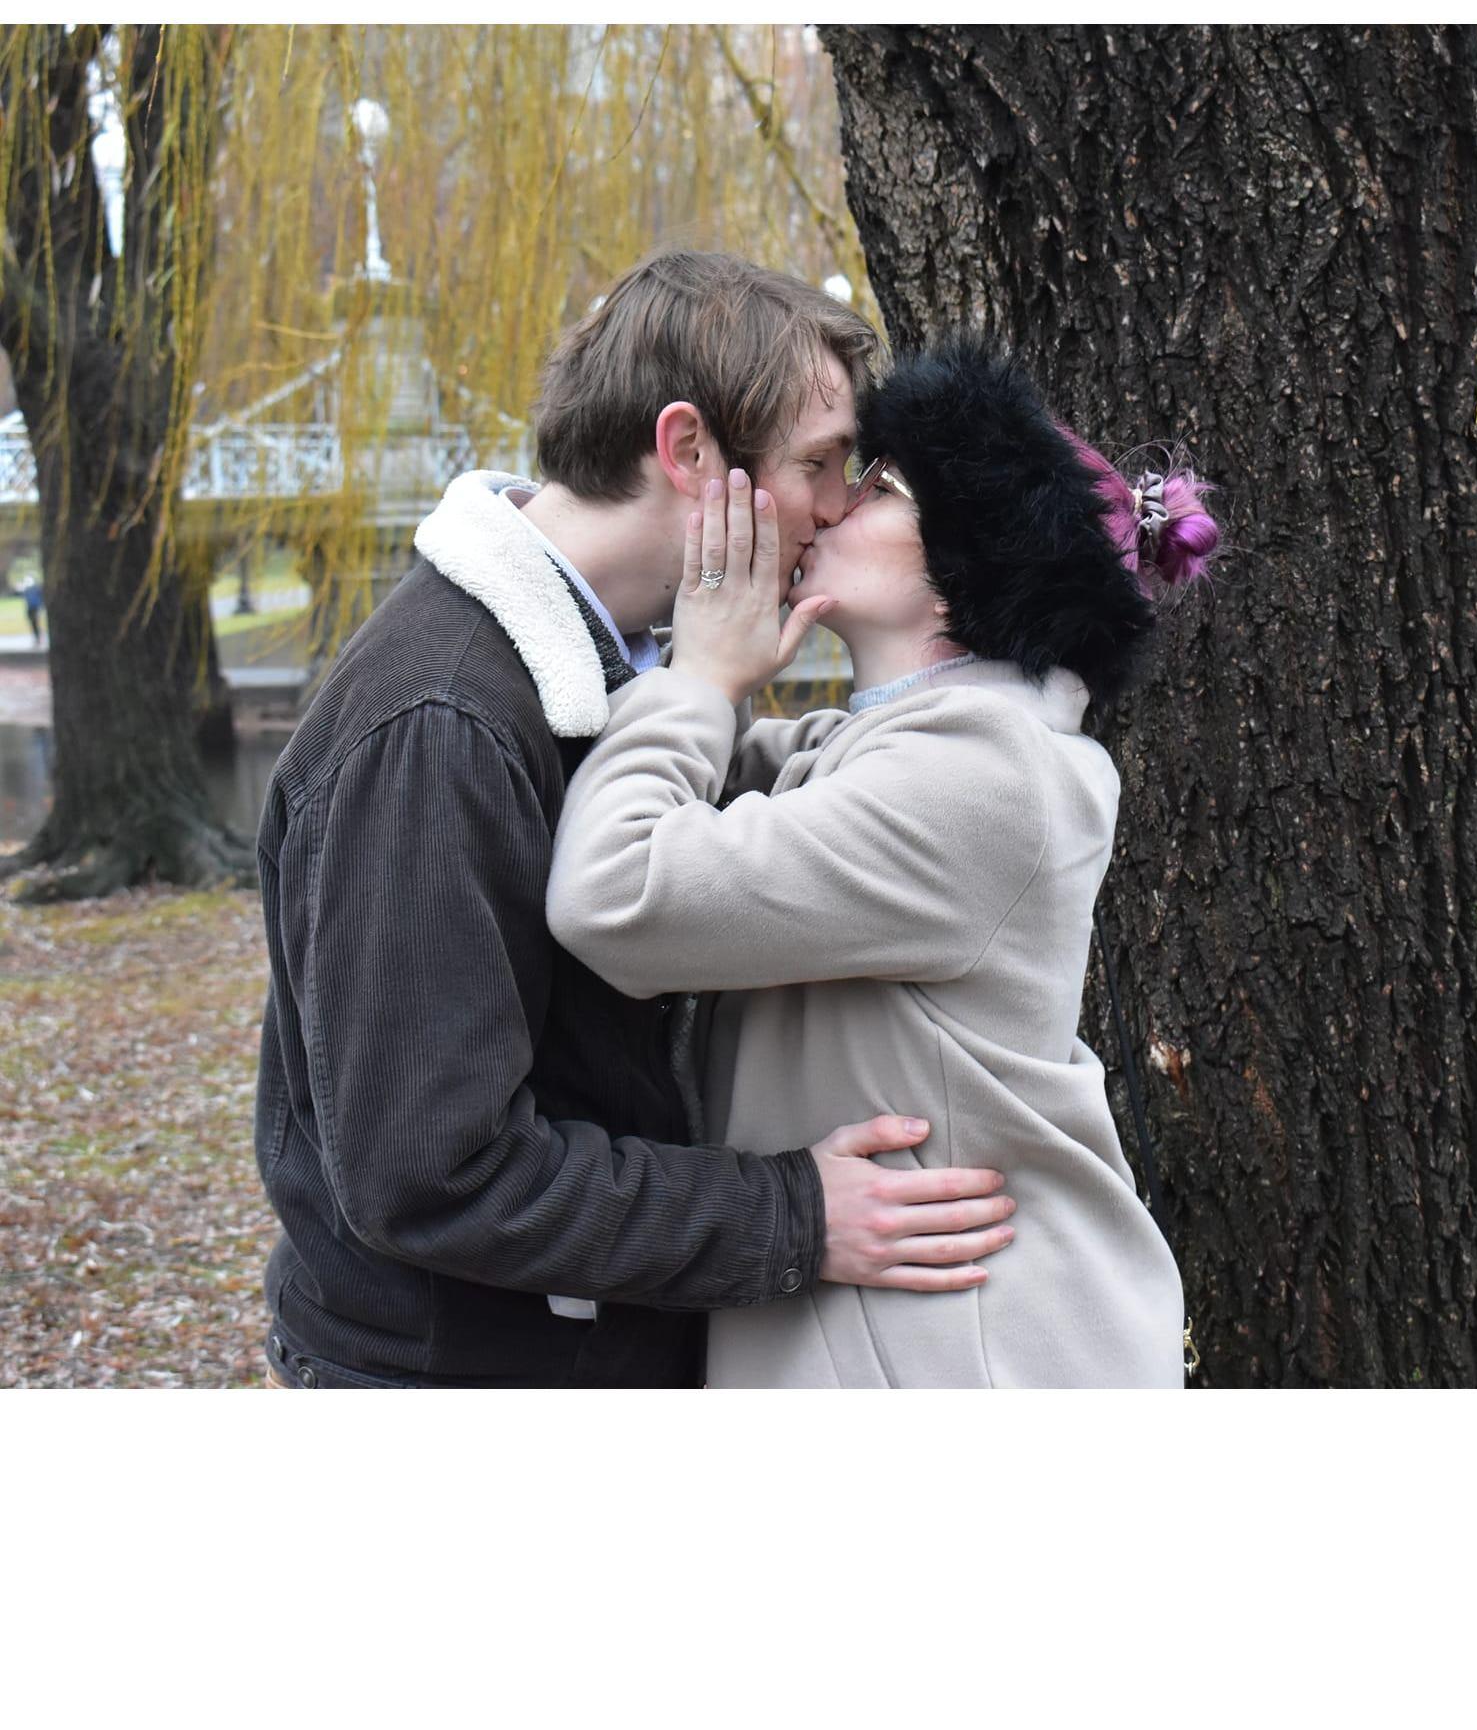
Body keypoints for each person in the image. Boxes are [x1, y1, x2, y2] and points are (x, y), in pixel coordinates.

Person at [253, 251, 1017, 1389]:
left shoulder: (614, 669)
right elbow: (429, 1173)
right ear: (689, 450)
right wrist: (792, 1216)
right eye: (817, 463)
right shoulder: (439, 723)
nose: (834, 505)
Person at [547, 335, 1216, 1387]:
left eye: (878, 484)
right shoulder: (895, 752)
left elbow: (614, 891)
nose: (830, 504)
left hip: (966, 1356)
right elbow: (688, 785)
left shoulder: (979, 779)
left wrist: (703, 679)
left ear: (963, 568)